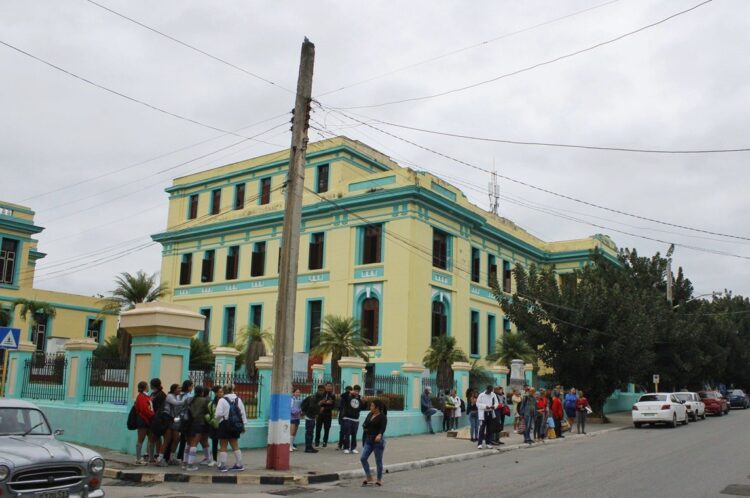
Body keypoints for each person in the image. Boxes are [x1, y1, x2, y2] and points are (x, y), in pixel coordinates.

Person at [215, 384, 247, 472]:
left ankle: (223, 465)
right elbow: (242, 413)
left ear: (224, 391)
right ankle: (239, 464)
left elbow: (218, 414)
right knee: (235, 445)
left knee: (223, 445)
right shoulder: (238, 399)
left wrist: (217, 420)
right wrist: (243, 424)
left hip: (224, 424)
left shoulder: (222, 400)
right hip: (235, 424)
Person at [156, 384, 186, 466]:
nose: (180, 389)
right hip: (167, 419)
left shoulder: (176, 396)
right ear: (174, 389)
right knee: (167, 439)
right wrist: (186, 401)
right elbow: (176, 404)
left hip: (173, 419)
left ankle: (171, 458)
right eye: (178, 388)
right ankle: (159, 459)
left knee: (176, 438)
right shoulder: (169, 396)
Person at [360, 399, 387, 487]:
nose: (370, 407)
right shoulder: (370, 414)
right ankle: (369, 477)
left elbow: (382, 428)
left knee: (378, 461)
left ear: (377, 408)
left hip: (377, 441)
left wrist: (379, 435)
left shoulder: (382, 417)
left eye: (372, 406)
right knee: (363, 458)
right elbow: (365, 424)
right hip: (368, 439)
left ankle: (379, 479)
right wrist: (365, 428)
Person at [184, 385, 211, 471]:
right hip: (199, 423)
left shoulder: (189, 399)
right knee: (194, 443)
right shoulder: (204, 401)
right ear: (202, 392)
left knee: (188, 443)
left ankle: (185, 463)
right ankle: (190, 465)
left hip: (188, 423)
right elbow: (208, 411)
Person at [134, 381, 154, 465]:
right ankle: (138, 459)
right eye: (147, 385)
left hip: (148, 420)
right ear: (144, 387)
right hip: (143, 420)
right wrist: (153, 415)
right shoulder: (141, 397)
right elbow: (144, 409)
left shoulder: (146, 396)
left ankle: (151, 458)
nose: (148, 387)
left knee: (152, 438)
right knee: (140, 439)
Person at [174, 379, 194, 465]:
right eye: (191, 386)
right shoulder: (189, 396)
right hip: (187, 419)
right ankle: (182, 457)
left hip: (179, 418)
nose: (192, 387)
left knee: (181, 438)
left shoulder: (179, 395)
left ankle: (179, 456)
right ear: (188, 387)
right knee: (185, 439)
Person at [341, 385, 364, 454]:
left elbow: (361, 408)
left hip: (356, 419)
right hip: (347, 417)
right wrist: (350, 393)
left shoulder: (359, 398)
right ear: (353, 390)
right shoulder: (348, 396)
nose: (356, 392)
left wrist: (365, 402)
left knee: (354, 434)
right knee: (347, 433)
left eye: (358, 391)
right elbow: (342, 396)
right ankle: (346, 448)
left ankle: (353, 448)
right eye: (355, 390)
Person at [301, 385, 324, 453]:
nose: (322, 392)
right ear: (318, 390)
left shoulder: (319, 397)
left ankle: (310, 446)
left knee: (311, 432)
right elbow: (311, 407)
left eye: (323, 391)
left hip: (312, 416)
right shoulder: (313, 397)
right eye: (321, 390)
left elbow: (315, 408)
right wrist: (319, 404)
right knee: (309, 432)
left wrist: (317, 412)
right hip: (309, 416)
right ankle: (308, 448)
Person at [148, 378, 166, 464]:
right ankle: (154, 456)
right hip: (152, 418)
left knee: (154, 437)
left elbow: (161, 408)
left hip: (158, 419)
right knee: (155, 437)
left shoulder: (161, 395)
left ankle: (155, 456)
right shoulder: (153, 394)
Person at [205, 386, 223, 466]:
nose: (221, 393)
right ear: (216, 393)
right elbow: (209, 413)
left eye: (222, 392)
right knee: (214, 443)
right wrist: (210, 420)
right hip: (214, 425)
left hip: (223, 425)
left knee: (222, 443)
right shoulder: (211, 403)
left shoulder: (225, 401)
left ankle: (222, 461)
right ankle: (215, 460)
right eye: (219, 392)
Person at [476, 385, 498, 449]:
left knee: (489, 429)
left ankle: (488, 443)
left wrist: (494, 406)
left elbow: (496, 403)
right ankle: (479, 443)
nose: (490, 392)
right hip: (483, 413)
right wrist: (485, 406)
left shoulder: (493, 394)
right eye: (489, 391)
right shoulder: (481, 395)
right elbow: (478, 404)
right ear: (486, 389)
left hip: (490, 412)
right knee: (482, 428)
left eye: (491, 391)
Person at [315, 382, 336, 448]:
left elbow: (333, 406)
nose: (329, 387)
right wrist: (326, 403)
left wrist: (325, 406)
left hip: (328, 414)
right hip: (320, 414)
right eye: (328, 386)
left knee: (327, 429)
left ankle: (325, 442)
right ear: (325, 386)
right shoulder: (320, 394)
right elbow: (317, 403)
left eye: (330, 386)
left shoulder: (332, 395)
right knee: (318, 428)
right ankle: (317, 442)